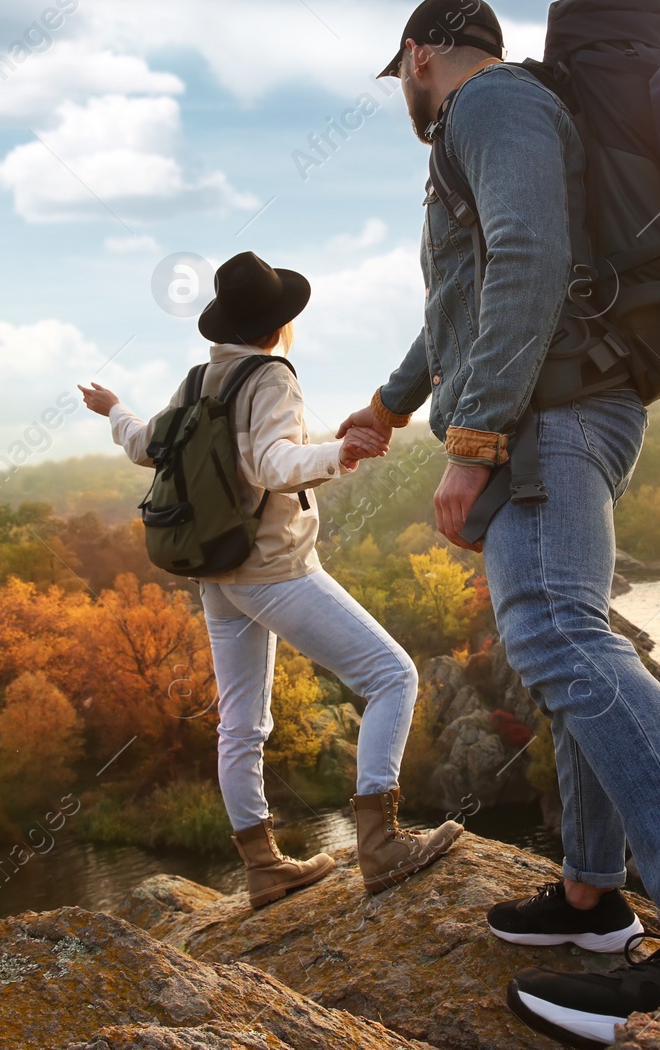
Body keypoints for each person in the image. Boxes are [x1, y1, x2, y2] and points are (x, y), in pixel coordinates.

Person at [337, 0, 660, 1049]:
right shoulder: (515, 112)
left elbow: (526, 257)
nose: (409, 91)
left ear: (418, 55)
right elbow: (462, 305)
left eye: (405, 73)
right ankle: (591, 899)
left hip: (548, 417)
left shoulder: (492, 107)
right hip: (557, 405)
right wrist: (388, 405)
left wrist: (467, 445)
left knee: (559, 637)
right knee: (574, 644)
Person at [80, 250, 462, 911]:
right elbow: (272, 461)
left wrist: (113, 408)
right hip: (272, 570)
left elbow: (146, 444)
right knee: (392, 676)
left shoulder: (201, 377)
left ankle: (263, 868)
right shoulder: (272, 375)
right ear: (276, 325)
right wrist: (339, 453)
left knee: (241, 722)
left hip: (217, 578)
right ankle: (380, 845)